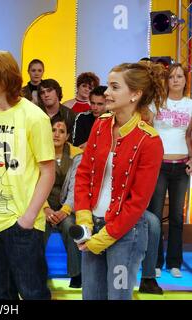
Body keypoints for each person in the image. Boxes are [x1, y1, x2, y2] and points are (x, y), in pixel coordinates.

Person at [0, 50, 55, 300]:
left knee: (33, 292)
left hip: (22, 224)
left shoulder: (34, 117)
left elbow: (48, 171)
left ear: (4, 78)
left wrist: (27, 219)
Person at [74, 61, 166, 300]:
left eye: (115, 87)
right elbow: (84, 174)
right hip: (92, 226)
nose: (106, 92)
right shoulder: (101, 124)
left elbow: (138, 203)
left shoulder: (150, 141)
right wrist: (84, 220)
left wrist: (104, 238)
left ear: (135, 94)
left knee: (118, 296)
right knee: (91, 296)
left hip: (127, 234)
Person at [147, 63, 192, 279]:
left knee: (176, 215)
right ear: (167, 81)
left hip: (182, 166)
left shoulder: (190, 105)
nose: (175, 80)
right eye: (172, 76)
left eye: (180, 76)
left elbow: (190, 137)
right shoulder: (156, 104)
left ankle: (174, 262)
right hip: (158, 166)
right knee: (154, 215)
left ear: (185, 80)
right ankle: (155, 262)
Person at [43, 117, 83, 288]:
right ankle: (37, 272)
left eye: (61, 131)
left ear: (67, 136)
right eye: (53, 130)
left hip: (67, 207)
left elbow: (76, 186)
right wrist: (44, 209)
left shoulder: (77, 155)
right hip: (43, 206)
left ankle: (76, 273)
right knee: (38, 227)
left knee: (70, 226)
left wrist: (66, 210)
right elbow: (33, 183)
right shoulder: (39, 152)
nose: (56, 134)